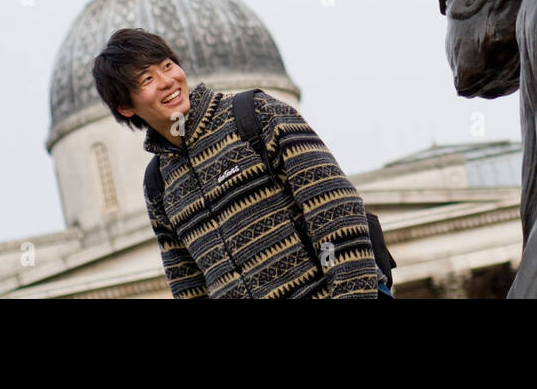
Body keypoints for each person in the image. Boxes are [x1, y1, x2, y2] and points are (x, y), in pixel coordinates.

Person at [91, 27, 387, 298]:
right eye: (147, 79)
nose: (168, 81)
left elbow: (337, 213)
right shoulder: (157, 183)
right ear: (126, 106)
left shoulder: (256, 114)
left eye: (168, 66)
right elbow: (188, 285)